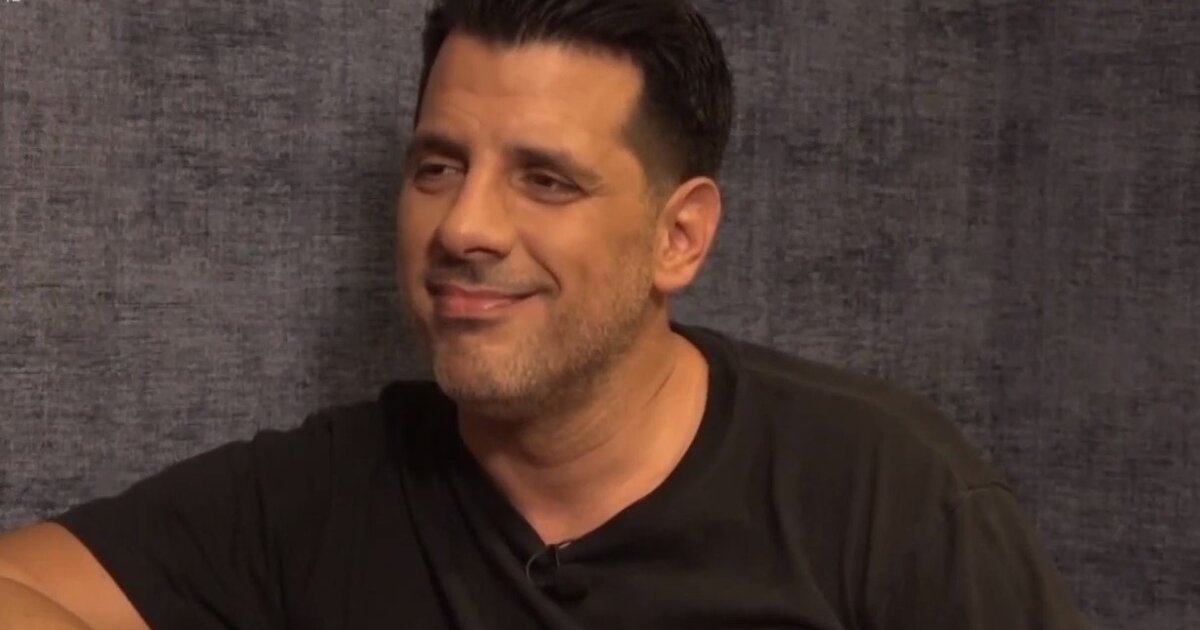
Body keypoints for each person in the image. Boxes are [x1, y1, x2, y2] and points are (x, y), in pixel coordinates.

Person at [0, 0, 1089, 628]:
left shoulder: (889, 498)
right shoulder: (324, 494)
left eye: (546, 180)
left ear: (679, 236)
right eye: (438, 166)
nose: (464, 225)